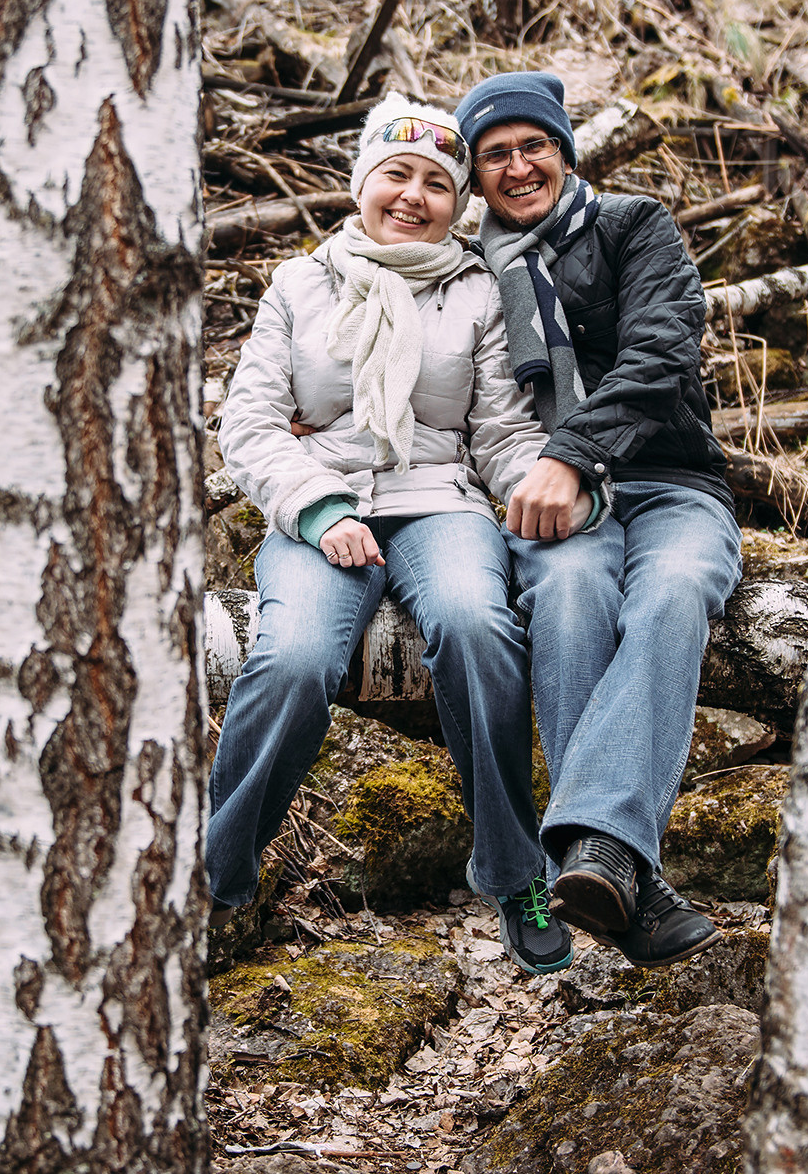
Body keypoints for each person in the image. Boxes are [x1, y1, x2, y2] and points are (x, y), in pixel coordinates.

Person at [207, 93, 575, 975]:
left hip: (440, 497)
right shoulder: (300, 283)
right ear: (362, 182)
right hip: (320, 500)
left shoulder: (478, 289)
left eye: (437, 185)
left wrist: (546, 485)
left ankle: (513, 870)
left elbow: (500, 428)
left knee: (480, 629)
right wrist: (319, 508)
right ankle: (219, 872)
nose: (414, 196)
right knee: (294, 657)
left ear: (459, 202)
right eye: (395, 176)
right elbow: (250, 423)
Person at [455, 71, 740, 969]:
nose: (517, 165)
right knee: (570, 591)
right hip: (550, 497)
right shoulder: (469, 270)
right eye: (494, 154)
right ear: (475, 176)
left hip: (670, 480)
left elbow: (662, 351)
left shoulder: (633, 224)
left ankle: (596, 849)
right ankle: (622, 873)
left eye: (533, 144)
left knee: (675, 590)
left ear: (565, 151)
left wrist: (570, 451)